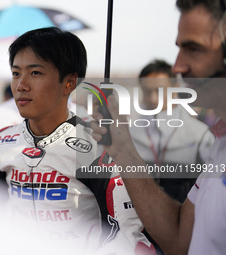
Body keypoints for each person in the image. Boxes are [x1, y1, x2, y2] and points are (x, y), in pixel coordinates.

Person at [0, 27, 154, 254]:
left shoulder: (101, 148)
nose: (21, 85)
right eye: (15, 73)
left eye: (35, 73)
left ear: (69, 82)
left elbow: (128, 237)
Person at [91, 1, 226, 254]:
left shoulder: (201, 136)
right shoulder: (220, 143)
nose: (179, 67)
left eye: (194, 48)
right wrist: (123, 149)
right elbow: (179, 239)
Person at [132, 59, 214, 203]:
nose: (153, 98)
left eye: (159, 91)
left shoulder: (200, 135)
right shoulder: (129, 133)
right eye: (147, 91)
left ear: (175, 89)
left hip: (184, 217)